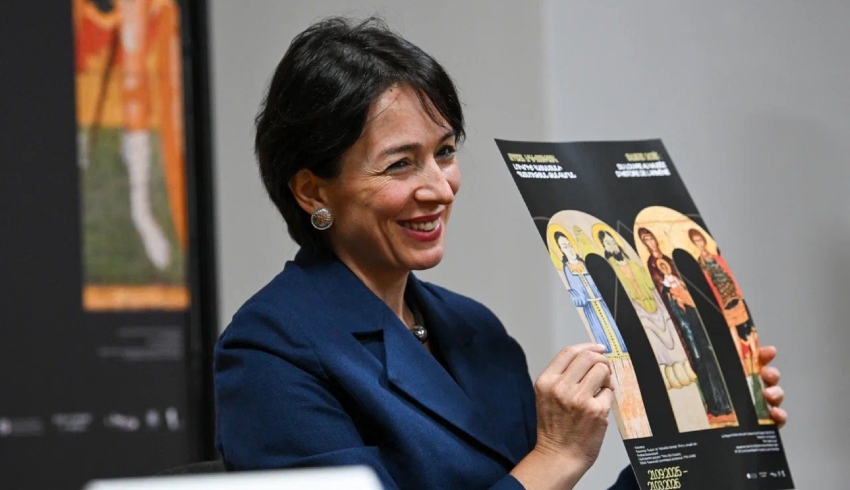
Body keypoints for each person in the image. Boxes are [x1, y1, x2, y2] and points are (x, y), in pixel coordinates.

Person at [213, 17, 787, 490]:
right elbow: (542, 475)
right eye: (400, 164)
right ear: (312, 191)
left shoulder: (474, 328)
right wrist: (558, 455)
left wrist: (704, 437)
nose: (440, 188)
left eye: (444, 152)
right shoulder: (270, 349)